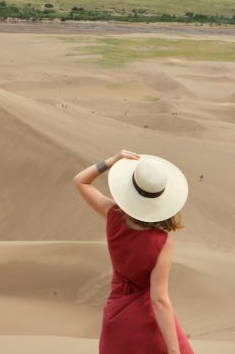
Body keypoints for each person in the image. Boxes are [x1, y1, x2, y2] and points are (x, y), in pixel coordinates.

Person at [73, 150, 194, 354]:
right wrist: (174, 351)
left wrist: (113, 160)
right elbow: (159, 300)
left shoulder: (112, 215)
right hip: (148, 322)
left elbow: (80, 181)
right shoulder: (162, 242)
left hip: (116, 319)